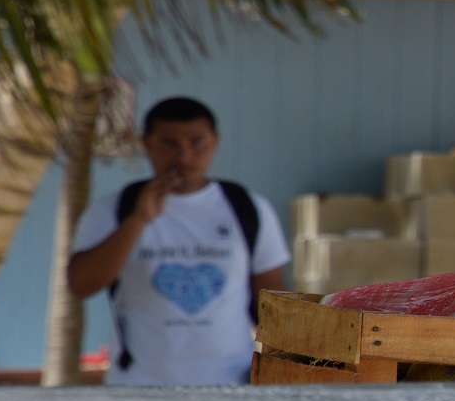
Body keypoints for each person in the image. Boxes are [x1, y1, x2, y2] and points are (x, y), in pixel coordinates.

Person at [68, 96, 290, 385]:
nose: (184, 156)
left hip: (232, 386)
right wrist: (137, 221)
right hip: (139, 387)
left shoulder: (249, 208)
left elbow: (273, 306)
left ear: (215, 142)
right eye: (169, 143)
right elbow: (81, 284)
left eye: (197, 142)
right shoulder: (113, 211)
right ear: (147, 144)